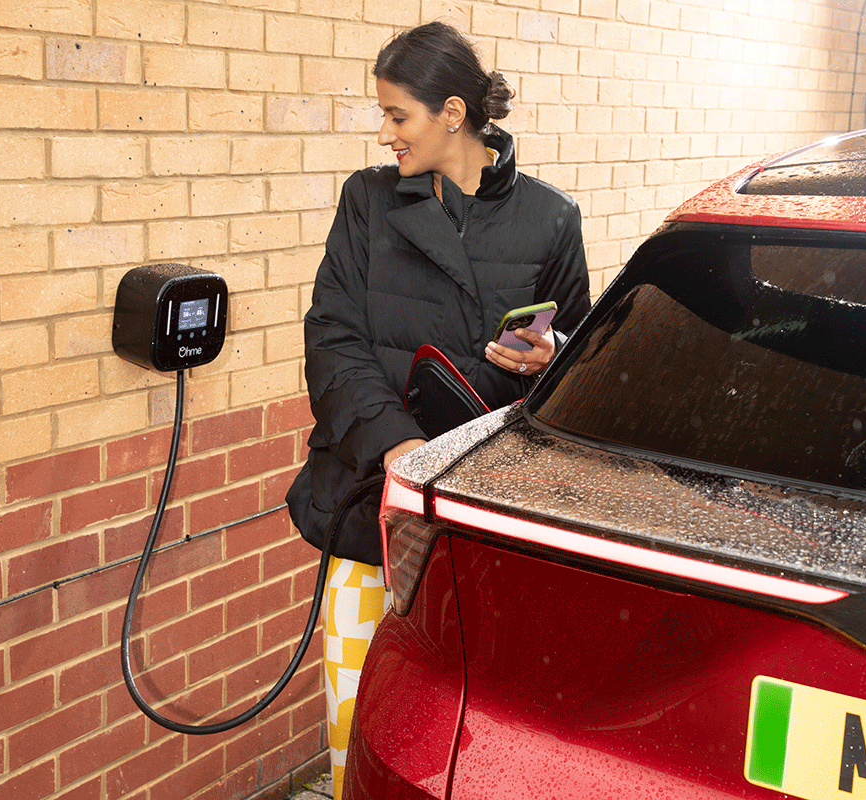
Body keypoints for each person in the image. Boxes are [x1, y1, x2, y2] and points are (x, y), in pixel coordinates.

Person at [285, 21, 591, 797]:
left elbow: (581, 365)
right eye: (383, 116)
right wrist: (396, 447)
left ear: (452, 113)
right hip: (375, 506)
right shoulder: (368, 202)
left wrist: (547, 360)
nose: (384, 133)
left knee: (475, 731)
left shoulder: (551, 220)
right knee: (360, 720)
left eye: (398, 116)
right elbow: (334, 339)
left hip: (489, 522)